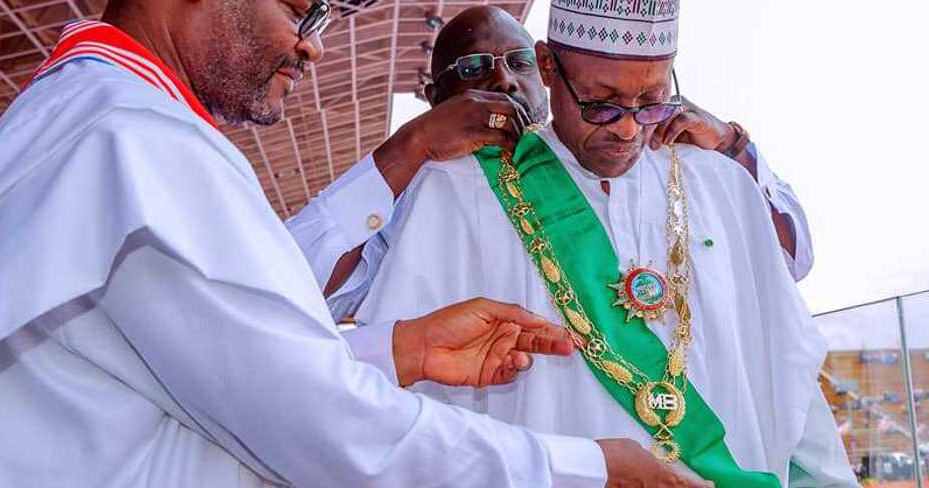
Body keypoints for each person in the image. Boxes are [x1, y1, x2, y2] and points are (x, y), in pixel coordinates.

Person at [0, 0, 722, 488]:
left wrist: (398, 348)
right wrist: (581, 478)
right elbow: (316, 418)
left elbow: (226, 367)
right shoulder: (129, 142)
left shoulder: (104, 121)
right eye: (297, 5)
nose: (311, 46)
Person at [355, 0, 894, 488]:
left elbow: (789, 388)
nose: (629, 128)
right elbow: (413, 425)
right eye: (602, 103)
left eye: (650, 98)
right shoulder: (460, 193)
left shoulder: (720, 185)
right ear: (549, 66)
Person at [288, 19, 814, 326]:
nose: (502, 80)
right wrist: (413, 145)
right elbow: (296, 289)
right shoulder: (427, 194)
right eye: (472, 69)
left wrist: (733, 145)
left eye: (517, 62)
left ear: (545, 71)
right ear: (434, 100)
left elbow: (791, 259)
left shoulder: (655, 155)